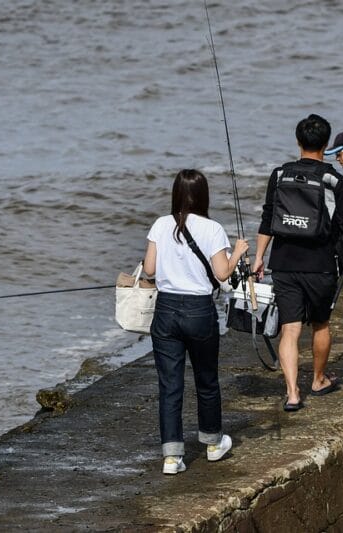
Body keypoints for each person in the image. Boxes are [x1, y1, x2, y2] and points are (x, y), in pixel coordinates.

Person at [252, 114, 343, 412]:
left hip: (283, 262)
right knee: (320, 324)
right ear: (325, 144)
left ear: (298, 142)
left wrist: (258, 258)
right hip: (321, 263)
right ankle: (318, 380)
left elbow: (268, 219)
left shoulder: (279, 175)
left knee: (289, 329)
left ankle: (292, 393)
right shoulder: (335, 180)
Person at [143, 169, 248, 475]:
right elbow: (222, 274)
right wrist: (238, 252)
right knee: (206, 379)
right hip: (199, 311)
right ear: (203, 195)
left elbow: (149, 269)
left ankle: (172, 457)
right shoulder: (213, 228)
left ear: (176, 193)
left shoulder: (161, 224)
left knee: (170, 385)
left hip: (166, 310)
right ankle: (213, 444)